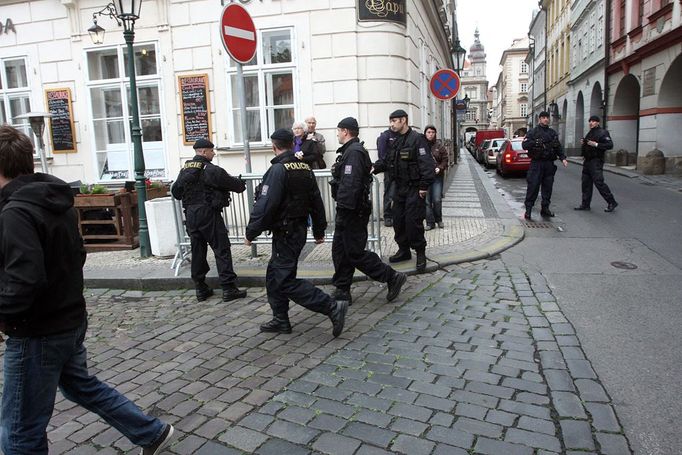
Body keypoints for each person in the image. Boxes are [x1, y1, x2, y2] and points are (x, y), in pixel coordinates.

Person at [0, 125, 174, 455]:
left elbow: (25, 281)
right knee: (81, 386)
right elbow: (76, 255)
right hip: (68, 320)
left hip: (38, 331)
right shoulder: (52, 200)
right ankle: (151, 432)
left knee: (21, 429)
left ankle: (151, 432)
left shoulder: (17, 212)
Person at [245, 128, 348, 337]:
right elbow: (316, 202)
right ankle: (280, 319)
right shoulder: (304, 168)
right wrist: (319, 229)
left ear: (274, 146)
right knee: (274, 275)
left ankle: (331, 306)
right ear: (293, 144)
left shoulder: (278, 170)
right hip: (297, 229)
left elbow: (266, 205)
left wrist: (251, 232)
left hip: (285, 232)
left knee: (284, 280)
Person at [329, 117, 407, 304]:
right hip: (348, 210)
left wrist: (345, 210)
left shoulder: (354, 153)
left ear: (346, 131)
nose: (338, 134)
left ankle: (391, 277)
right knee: (340, 250)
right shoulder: (350, 151)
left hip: (352, 211)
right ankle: (342, 289)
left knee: (354, 252)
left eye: (339, 131)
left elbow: (351, 184)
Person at [171, 139, 247, 302]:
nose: (213, 153)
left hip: (191, 215)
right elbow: (237, 186)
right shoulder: (212, 170)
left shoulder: (185, 169)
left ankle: (200, 288)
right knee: (221, 249)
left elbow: (176, 192)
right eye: (211, 151)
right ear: (204, 152)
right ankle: (228, 288)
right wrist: (241, 182)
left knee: (198, 251)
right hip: (209, 214)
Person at [373, 109, 435, 273]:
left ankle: (420, 252)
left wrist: (423, 186)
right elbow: (387, 161)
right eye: (390, 121)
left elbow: (427, 165)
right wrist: (373, 168)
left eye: (394, 121)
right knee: (398, 221)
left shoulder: (417, 140)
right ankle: (404, 250)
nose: (391, 124)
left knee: (413, 222)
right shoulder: (396, 141)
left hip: (414, 188)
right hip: (399, 188)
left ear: (403, 120)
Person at [522, 111, 568, 220]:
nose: (546, 119)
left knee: (548, 187)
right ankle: (528, 209)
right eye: (543, 118)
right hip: (536, 163)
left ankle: (545, 208)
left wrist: (563, 158)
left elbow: (557, 147)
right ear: (540, 119)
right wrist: (536, 142)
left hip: (548, 164)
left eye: (547, 118)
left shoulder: (552, 133)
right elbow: (525, 145)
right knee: (533, 187)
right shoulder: (533, 132)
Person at [575, 115, 618, 212]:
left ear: (598, 122)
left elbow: (610, 145)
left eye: (594, 121)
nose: (591, 123)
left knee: (599, 183)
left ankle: (611, 202)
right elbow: (589, 144)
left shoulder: (603, 132)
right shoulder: (590, 132)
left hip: (596, 161)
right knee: (586, 183)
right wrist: (584, 142)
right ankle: (585, 204)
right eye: (590, 121)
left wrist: (596, 144)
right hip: (587, 161)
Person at [423, 125, 448, 230]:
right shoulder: (421, 146)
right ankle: (430, 222)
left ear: (435, 134)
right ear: (425, 133)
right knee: (427, 201)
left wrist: (440, 167)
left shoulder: (439, 146)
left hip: (437, 177)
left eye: (432, 132)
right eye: (428, 132)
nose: (430, 134)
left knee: (437, 199)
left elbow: (445, 160)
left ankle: (439, 219)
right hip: (425, 177)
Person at [377, 128, 398, 227]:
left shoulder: (401, 135)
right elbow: (382, 155)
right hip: (390, 170)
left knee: (399, 194)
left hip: (401, 170)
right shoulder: (385, 136)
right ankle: (388, 216)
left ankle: (396, 215)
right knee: (389, 194)